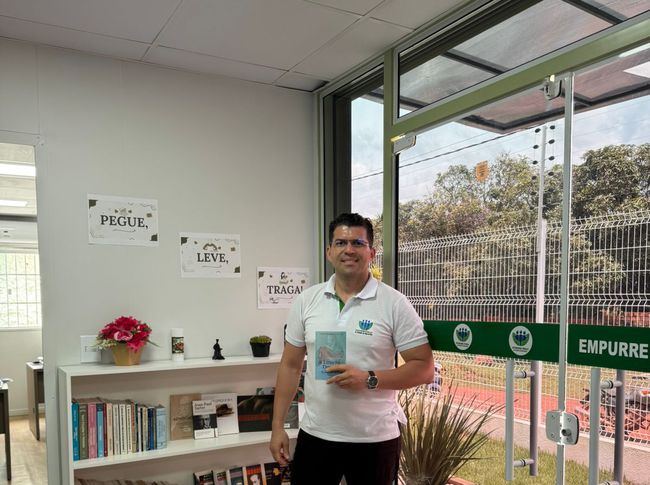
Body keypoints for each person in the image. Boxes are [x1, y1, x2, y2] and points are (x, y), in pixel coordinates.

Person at [270, 213, 434, 485]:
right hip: (316, 435)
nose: (349, 249)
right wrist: (277, 427)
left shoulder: (394, 303)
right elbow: (290, 365)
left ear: (372, 252)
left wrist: (369, 379)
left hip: (375, 440)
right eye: (341, 243)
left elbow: (424, 369)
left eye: (358, 243)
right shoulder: (306, 301)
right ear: (329, 252)